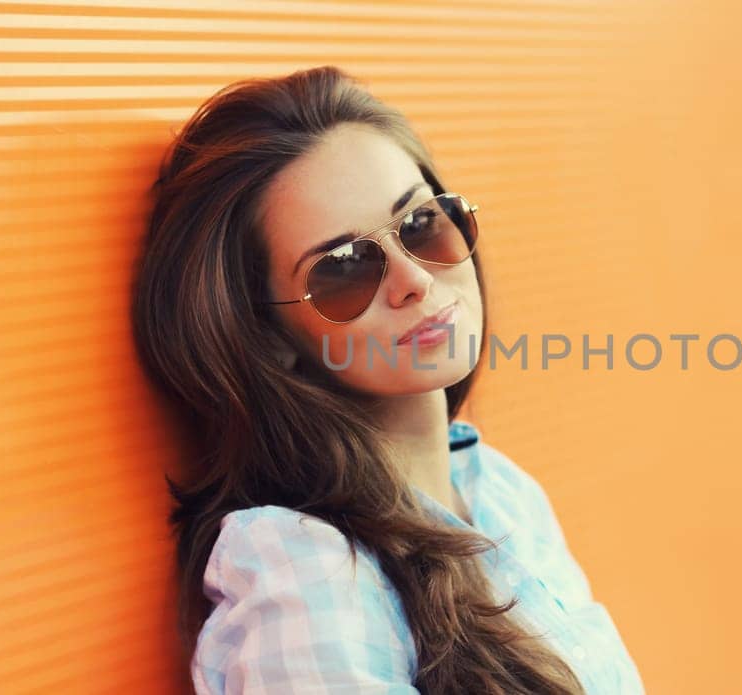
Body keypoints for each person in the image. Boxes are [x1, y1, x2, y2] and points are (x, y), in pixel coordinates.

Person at [130, 65, 644, 694]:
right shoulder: (305, 572)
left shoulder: (503, 494)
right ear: (266, 338)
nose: (415, 280)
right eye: (342, 268)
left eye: (421, 224)